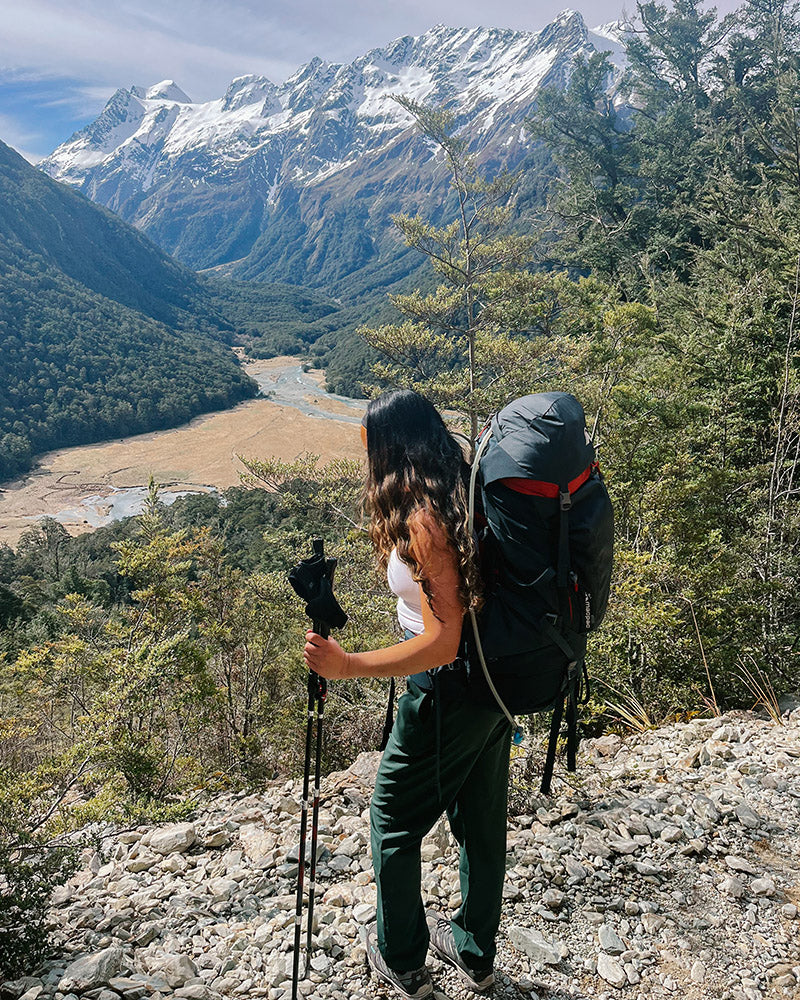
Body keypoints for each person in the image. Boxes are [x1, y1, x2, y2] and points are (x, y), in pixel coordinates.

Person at [304, 389, 512, 1000]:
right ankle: (474, 953)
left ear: (389, 445)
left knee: (392, 818)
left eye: (367, 440)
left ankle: (401, 957)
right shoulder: (463, 480)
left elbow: (443, 641)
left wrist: (349, 666)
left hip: (449, 689)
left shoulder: (424, 518)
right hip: (495, 682)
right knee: (479, 817)